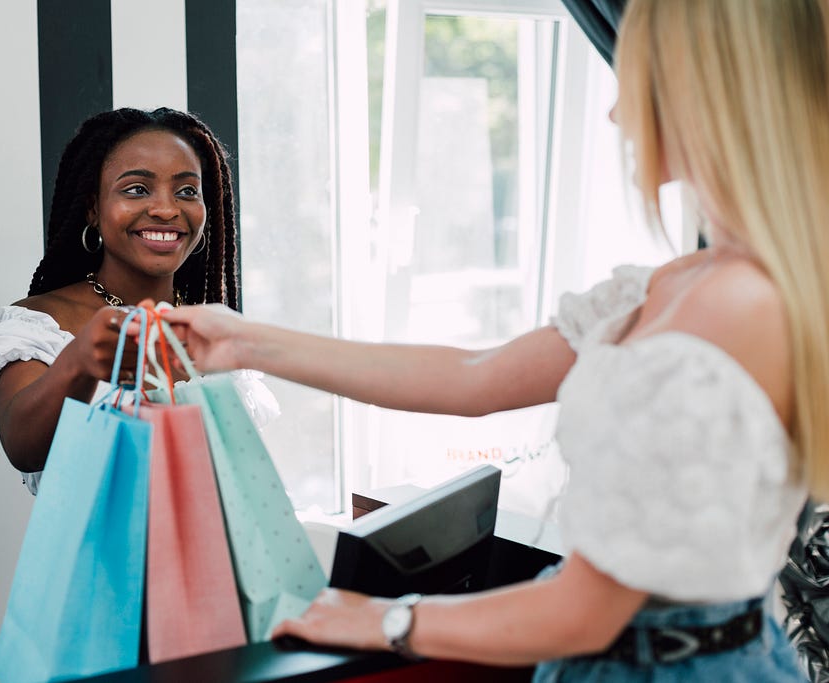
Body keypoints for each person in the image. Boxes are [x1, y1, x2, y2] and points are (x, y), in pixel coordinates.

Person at [161, 0, 829, 679]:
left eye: (638, 80)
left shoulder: (740, 307)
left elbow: (584, 612)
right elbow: (472, 375)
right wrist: (245, 342)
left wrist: (387, 619)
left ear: (709, 92)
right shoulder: (678, 282)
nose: (616, 113)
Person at [0, 106, 240, 494]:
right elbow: (24, 447)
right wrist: (81, 361)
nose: (166, 209)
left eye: (186, 191)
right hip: (100, 556)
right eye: (137, 189)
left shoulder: (215, 324)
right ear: (93, 208)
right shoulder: (38, 325)